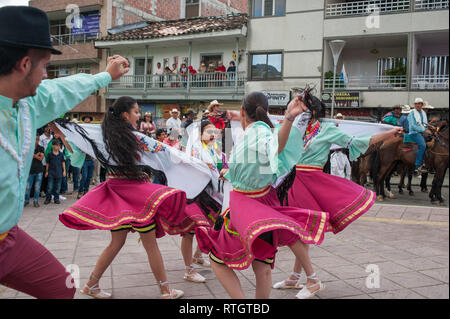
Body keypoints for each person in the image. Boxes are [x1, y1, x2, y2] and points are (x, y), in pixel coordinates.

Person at [0, 5, 128, 299]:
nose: (46, 75)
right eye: (44, 66)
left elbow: (63, 89)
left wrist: (104, 76)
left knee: (61, 287)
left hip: (8, 237)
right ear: (23, 65)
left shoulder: (27, 102)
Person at [195, 92, 329, 299]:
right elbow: (257, 164)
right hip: (265, 201)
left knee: (217, 260)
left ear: (242, 112)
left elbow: (274, 147)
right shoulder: (260, 131)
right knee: (262, 267)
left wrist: (289, 118)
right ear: (264, 112)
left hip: (246, 204)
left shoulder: (256, 135)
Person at [273, 89, 403, 299]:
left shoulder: (327, 129)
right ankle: (295, 277)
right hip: (291, 182)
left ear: (313, 110)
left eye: (302, 106)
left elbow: (359, 140)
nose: (298, 110)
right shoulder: (294, 128)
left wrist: (389, 133)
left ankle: (313, 280)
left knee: (294, 233)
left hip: (312, 184)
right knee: (300, 234)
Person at [59, 96, 191, 299]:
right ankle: (165, 290)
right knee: (150, 244)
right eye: (136, 112)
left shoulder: (104, 136)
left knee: (116, 243)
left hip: (116, 192)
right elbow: (165, 153)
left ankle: (91, 285)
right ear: (124, 115)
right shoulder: (134, 138)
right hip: (136, 195)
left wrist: (59, 128)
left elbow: (76, 139)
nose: (139, 116)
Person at [407, 97, 428, 174]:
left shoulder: (423, 113)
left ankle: (427, 162)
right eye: (416, 104)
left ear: (422, 105)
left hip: (422, 132)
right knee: (422, 145)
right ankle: (417, 165)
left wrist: (429, 127)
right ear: (414, 105)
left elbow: (424, 124)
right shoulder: (411, 113)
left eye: (419, 104)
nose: (418, 105)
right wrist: (424, 130)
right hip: (414, 132)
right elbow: (413, 126)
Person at [24, 135, 45, 207]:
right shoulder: (28, 148)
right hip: (29, 170)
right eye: (34, 139)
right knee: (27, 187)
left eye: (37, 139)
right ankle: (26, 201)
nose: (36, 140)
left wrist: (33, 155)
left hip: (39, 170)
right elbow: (26, 157)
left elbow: (41, 158)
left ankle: (35, 201)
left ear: (38, 139)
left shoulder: (41, 148)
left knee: (37, 187)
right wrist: (37, 155)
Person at [44, 139, 66, 205]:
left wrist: (64, 171)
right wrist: (47, 171)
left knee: (58, 187)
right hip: (51, 173)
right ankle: (48, 198)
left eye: (59, 145)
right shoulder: (49, 154)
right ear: (53, 146)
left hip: (59, 173)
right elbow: (47, 163)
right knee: (50, 187)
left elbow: (63, 163)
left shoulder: (61, 154)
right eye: (57, 145)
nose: (58, 147)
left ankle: (56, 199)